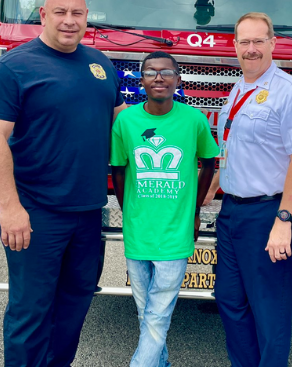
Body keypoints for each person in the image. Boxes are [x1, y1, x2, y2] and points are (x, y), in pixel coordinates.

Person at [0, 0, 126, 367]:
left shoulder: (101, 65)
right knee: (31, 309)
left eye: (77, 13)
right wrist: (10, 208)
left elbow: (121, 123)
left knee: (76, 301)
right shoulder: (12, 68)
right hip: (34, 211)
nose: (69, 21)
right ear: (43, 15)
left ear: (87, 18)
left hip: (88, 211)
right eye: (60, 12)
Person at [206, 12, 292, 367]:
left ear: (272, 43)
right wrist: (212, 190)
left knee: (269, 310)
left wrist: (284, 219)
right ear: (235, 45)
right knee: (229, 299)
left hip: (268, 213)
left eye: (258, 41)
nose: (251, 49)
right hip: (232, 212)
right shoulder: (239, 89)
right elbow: (231, 147)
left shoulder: (291, 91)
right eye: (244, 42)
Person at [110, 51, 219, 367]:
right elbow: (118, 169)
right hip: (138, 232)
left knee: (157, 315)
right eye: (151, 72)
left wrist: (195, 211)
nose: (159, 77)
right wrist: (127, 210)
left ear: (178, 80)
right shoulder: (126, 121)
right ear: (141, 80)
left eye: (167, 72)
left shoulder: (194, 120)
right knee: (146, 313)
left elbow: (209, 162)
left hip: (175, 231)